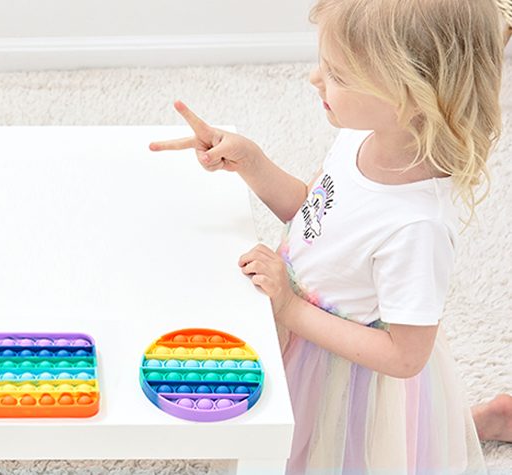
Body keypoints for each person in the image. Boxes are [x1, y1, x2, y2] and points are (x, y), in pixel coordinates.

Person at [150, 0, 503, 471]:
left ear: (408, 95)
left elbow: (405, 358)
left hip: (343, 369)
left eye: (337, 73)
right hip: (300, 326)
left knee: (341, 449)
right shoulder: (361, 136)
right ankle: (475, 422)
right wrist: (252, 163)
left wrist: (289, 307)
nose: (314, 78)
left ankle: (473, 425)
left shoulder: (418, 227)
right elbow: (312, 215)